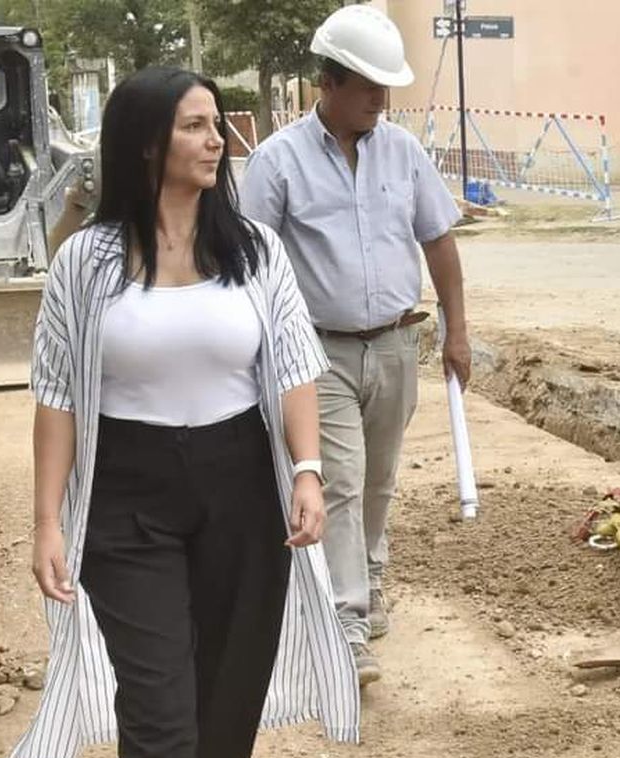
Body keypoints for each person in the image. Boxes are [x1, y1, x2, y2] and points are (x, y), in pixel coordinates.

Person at [10, 66, 359, 758]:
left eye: (216, 127)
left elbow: (291, 363)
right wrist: (47, 518)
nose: (217, 141)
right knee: (155, 689)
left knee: (231, 661)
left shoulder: (252, 251)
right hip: (126, 492)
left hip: (240, 484)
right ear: (146, 144)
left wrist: (309, 470)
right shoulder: (85, 263)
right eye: (197, 127)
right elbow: (54, 396)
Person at [238, 4, 470, 689]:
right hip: (318, 352)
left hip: (397, 343)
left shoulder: (403, 152)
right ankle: (346, 625)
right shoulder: (277, 163)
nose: (380, 99)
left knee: (378, 477)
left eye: (385, 87)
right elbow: (254, 265)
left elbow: (440, 241)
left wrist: (457, 330)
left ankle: (368, 575)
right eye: (368, 85)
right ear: (329, 84)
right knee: (338, 478)